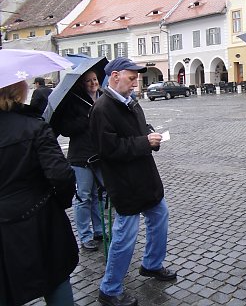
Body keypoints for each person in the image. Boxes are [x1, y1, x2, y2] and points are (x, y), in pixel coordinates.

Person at [89, 57, 176, 306]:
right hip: (124, 183)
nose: (135, 83)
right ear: (115, 76)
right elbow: (109, 149)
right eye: (131, 78)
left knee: (159, 216)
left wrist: (150, 135)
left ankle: (151, 264)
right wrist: (144, 142)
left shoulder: (131, 102)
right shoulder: (102, 108)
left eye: (136, 78)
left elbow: (139, 130)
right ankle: (109, 288)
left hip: (145, 178)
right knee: (124, 235)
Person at [0, 80, 78, 306]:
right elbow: (61, 175)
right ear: (18, 89)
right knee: (56, 278)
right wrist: (60, 203)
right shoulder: (34, 126)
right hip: (40, 218)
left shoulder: (33, 125)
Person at [56, 70, 104, 251]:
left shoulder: (103, 97)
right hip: (81, 156)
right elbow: (65, 129)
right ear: (82, 84)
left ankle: (99, 230)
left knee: (100, 195)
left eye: (95, 79)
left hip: (100, 154)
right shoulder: (74, 101)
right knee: (84, 197)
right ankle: (85, 236)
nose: (93, 83)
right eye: (88, 81)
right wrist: (87, 118)